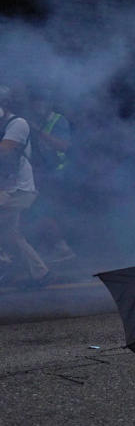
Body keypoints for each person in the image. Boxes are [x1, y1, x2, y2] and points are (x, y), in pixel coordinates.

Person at [0, 87, 52, 287]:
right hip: (5, 188)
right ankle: (40, 273)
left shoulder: (17, 123)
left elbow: (4, 150)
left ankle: (6, 263)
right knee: (11, 233)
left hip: (18, 189)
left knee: (8, 231)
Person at [25, 96, 75, 263]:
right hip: (42, 174)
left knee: (43, 210)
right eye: (35, 102)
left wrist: (39, 131)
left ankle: (61, 248)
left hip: (57, 174)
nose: (38, 105)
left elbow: (64, 146)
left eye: (41, 102)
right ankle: (55, 246)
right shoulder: (31, 121)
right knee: (45, 211)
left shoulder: (58, 120)